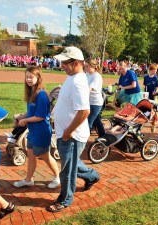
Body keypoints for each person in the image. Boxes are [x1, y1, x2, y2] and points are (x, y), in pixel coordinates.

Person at [46, 47, 100, 213]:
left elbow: (85, 111)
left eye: (64, 62)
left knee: (67, 170)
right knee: (72, 165)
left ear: (76, 63)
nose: (61, 65)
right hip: (67, 132)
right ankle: (93, 176)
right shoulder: (72, 76)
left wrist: (69, 131)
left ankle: (65, 199)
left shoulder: (78, 82)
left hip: (72, 135)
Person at [13, 66, 60, 189]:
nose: (28, 79)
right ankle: (28, 180)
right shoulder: (32, 93)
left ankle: (57, 177)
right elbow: (31, 112)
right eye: (27, 77)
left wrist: (25, 121)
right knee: (31, 156)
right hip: (33, 132)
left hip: (41, 132)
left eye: (31, 77)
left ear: (38, 78)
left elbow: (41, 116)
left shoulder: (42, 95)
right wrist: (21, 117)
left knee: (45, 156)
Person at [85, 58, 105, 137]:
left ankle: (83, 142)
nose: (86, 68)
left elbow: (90, 89)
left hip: (95, 103)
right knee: (97, 121)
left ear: (94, 67)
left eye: (87, 66)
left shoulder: (97, 76)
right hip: (88, 102)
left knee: (88, 123)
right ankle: (103, 136)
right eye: (85, 66)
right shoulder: (86, 75)